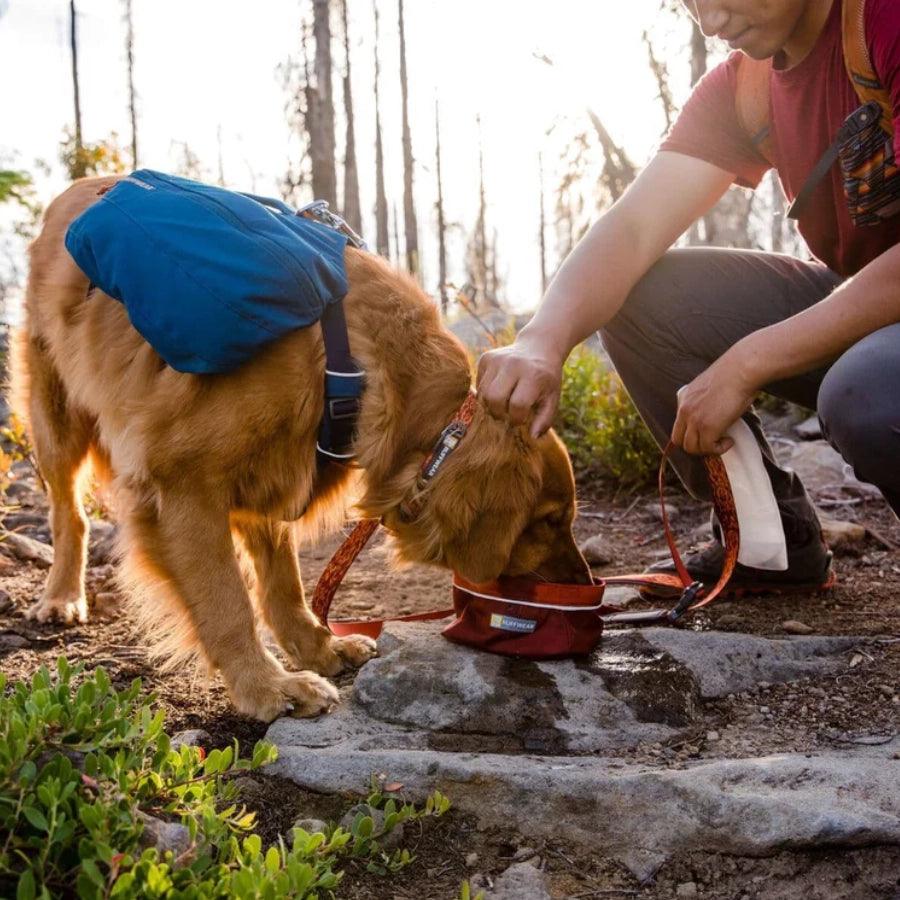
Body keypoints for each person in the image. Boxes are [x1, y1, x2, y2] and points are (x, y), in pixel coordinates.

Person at [477, 0, 900, 595]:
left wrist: (750, 360)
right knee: (640, 294)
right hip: (869, 313)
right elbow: (633, 229)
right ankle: (767, 545)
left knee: (871, 397)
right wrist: (542, 340)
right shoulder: (744, 87)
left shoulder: (884, 22)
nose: (709, 19)